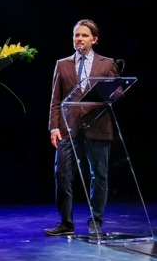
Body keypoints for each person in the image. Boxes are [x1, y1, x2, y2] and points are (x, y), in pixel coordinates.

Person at [45, 19, 118, 237]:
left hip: (98, 126)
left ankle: (95, 222)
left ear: (94, 40)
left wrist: (117, 93)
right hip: (69, 127)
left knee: (99, 176)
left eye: (84, 35)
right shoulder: (62, 64)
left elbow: (113, 94)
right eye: (77, 35)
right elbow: (55, 99)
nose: (79, 39)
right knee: (63, 175)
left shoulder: (107, 64)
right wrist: (53, 127)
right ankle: (66, 223)